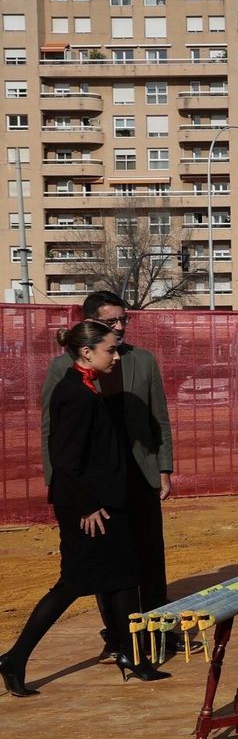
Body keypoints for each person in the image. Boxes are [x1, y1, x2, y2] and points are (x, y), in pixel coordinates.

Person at [2, 320, 171, 695]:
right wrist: (87, 506)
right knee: (74, 584)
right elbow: (65, 459)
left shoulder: (86, 387)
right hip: (88, 509)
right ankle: (14, 658)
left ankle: (132, 655)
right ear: (86, 352)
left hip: (106, 503)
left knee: (124, 577)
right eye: (110, 350)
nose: (116, 356)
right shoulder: (75, 394)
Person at [40, 291, 175, 651]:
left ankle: (159, 632)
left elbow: (159, 418)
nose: (120, 327)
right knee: (110, 563)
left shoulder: (143, 360)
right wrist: (64, 487)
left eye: (123, 319)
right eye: (110, 321)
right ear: (90, 324)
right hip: (96, 482)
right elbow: (52, 433)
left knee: (149, 554)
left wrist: (163, 468)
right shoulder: (64, 369)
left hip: (140, 472)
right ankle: (118, 638)